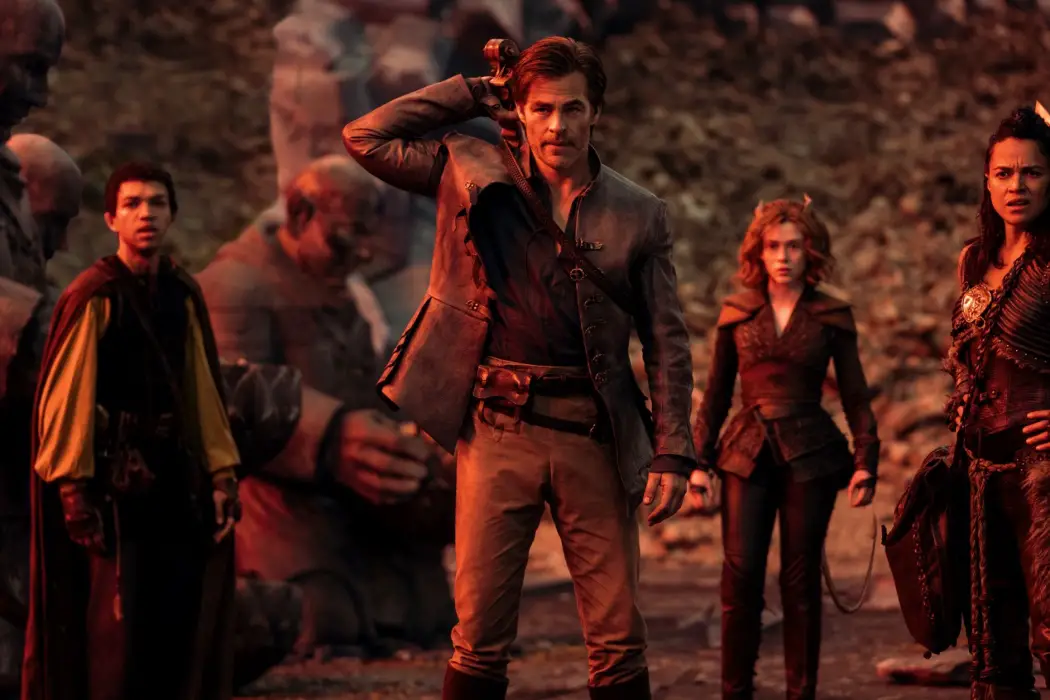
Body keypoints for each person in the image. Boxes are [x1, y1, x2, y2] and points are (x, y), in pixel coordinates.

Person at [344, 35, 697, 700]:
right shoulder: (469, 169)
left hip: (595, 434)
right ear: (522, 111)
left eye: (572, 108)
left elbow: (666, 341)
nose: (557, 126)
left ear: (595, 114)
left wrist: (674, 452)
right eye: (542, 109)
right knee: (479, 637)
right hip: (497, 428)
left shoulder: (639, 213)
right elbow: (365, 136)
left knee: (619, 640)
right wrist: (476, 92)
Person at [196, 154, 455, 656]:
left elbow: (377, 387)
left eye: (365, 236)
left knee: (427, 607)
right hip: (274, 499)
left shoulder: (346, 293)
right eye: (344, 237)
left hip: (355, 498)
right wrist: (332, 436)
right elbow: (226, 401)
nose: (360, 253)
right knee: (321, 614)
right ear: (299, 215)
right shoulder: (236, 285)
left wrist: (414, 439)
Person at [22, 161, 241, 700]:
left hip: (173, 482)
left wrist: (220, 473)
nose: (146, 214)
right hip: (113, 489)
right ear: (111, 219)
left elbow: (201, 389)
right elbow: (70, 396)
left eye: (157, 203)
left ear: (172, 215)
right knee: (115, 634)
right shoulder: (96, 295)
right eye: (133, 204)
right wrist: (73, 490)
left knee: (173, 625)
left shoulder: (181, 293)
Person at [689, 197, 879, 700]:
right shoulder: (737, 312)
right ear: (759, 251)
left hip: (810, 453)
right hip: (745, 451)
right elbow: (716, 394)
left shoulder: (831, 315)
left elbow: (856, 395)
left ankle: (802, 693)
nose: (783, 256)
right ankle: (736, 693)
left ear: (809, 250)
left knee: (800, 581)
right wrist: (698, 463)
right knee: (740, 577)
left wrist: (866, 461)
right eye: (773, 246)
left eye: (793, 246)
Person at [943, 105, 1050, 700]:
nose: (1017, 186)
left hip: (1043, 475)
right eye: (1005, 173)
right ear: (987, 180)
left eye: (1032, 172)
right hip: (978, 472)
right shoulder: (972, 259)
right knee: (991, 646)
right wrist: (959, 398)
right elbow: (967, 354)